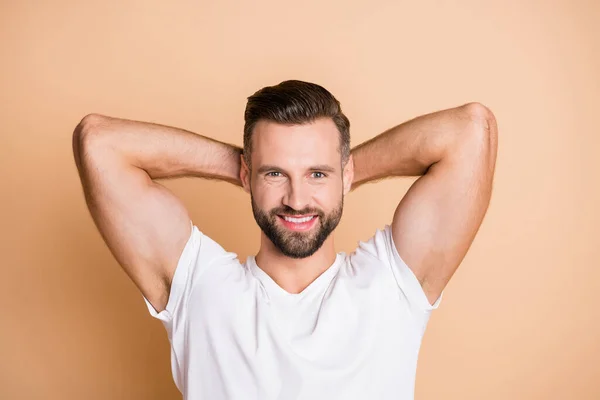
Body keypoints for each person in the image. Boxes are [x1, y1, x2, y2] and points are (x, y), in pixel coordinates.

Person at [72, 80, 497, 399]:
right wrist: (251, 164)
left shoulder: (392, 285)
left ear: (344, 174)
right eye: (275, 174)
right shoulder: (200, 292)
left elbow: (470, 130)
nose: (297, 200)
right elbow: (99, 143)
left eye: (317, 175)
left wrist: (339, 174)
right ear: (247, 175)